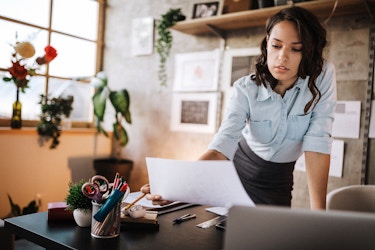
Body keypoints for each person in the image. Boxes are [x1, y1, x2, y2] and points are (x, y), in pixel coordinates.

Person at [141, 6, 337, 210]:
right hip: (236, 174)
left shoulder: (322, 76)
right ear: (267, 44)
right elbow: (222, 147)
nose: (282, 57)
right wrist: (177, 186)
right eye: (276, 45)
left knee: (270, 238)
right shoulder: (246, 88)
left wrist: (320, 216)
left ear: (310, 51)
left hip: (278, 181)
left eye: (296, 49)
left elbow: (318, 142)